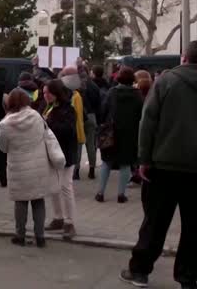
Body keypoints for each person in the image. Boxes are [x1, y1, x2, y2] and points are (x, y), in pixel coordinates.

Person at [120, 42, 197, 289]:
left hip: (163, 165)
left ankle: (139, 270)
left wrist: (144, 160)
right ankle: (188, 277)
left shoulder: (165, 82)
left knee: (155, 221)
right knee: (194, 226)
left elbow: (148, 122)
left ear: (184, 57)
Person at [0, 89, 49, 248]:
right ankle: (40, 236)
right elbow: (43, 136)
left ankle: (20, 235)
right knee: (38, 200)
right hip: (38, 164)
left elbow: (3, 148)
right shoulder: (36, 116)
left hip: (18, 166)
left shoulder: (5, 124)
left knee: (20, 201)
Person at [95, 66, 143, 204]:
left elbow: (103, 111)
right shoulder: (137, 95)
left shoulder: (111, 93)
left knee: (106, 162)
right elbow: (141, 114)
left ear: (119, 78)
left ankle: (100, 193)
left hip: (111, 132)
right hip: (130, 134)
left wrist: (102, 124)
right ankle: (121, 195)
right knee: (125, 164)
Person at [43, 79, 78, 240]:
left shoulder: (68, 109)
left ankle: (70, 222)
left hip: (66, 154)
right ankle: (58, 217)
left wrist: (48, 125)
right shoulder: (46, 107)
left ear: (56, 93)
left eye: (48, 93)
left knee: (65, 187)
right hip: (50, 154)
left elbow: (68, 130)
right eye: (44, 93)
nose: (45, 96)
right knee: (53, 187)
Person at [60, 66, 86, 181]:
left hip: (70, 127)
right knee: (76, 151)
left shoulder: (73, 94)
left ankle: (72, 171)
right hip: (74, 127)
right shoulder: (77, 93)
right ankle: (75, 171)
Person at [79, 70, 101, 179]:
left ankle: (76, 171)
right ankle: (91, 170)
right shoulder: (94, 86)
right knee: (91, 144)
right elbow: (99, 103)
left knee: (78, 144)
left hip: (80, 115)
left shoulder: (77, 87)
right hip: (92, 116)